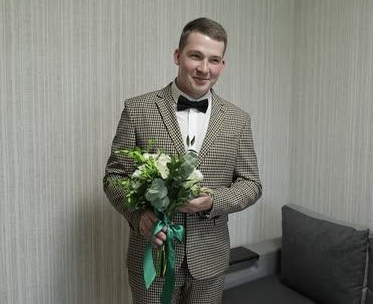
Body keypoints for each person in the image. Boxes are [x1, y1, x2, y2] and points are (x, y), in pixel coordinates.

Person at [104, 17, 262, 304]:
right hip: (152, 258)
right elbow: (114, 178)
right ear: (178, 55)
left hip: (210, 261)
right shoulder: (137, 109)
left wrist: (214, 201)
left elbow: (251, 184)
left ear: (222, 65)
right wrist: (139, 216)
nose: (204, 69)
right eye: (195, 56)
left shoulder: (238, 120)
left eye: (214, 60)